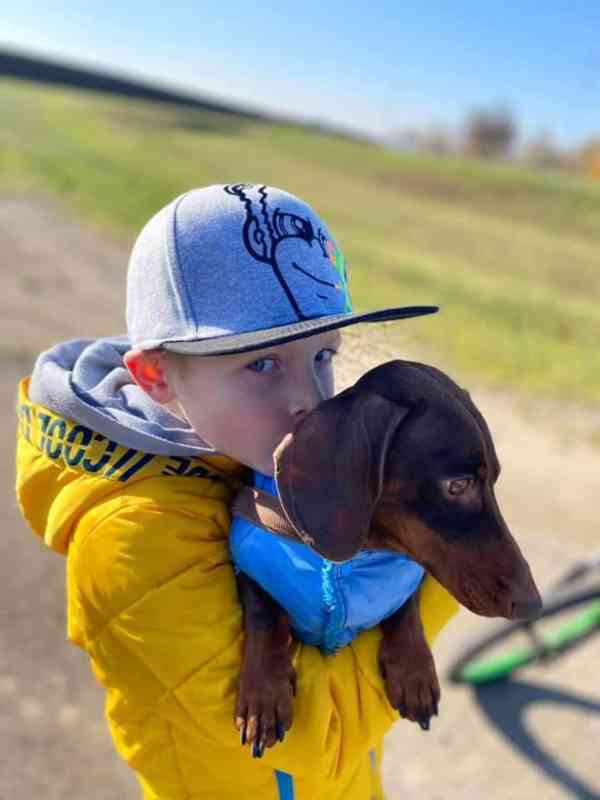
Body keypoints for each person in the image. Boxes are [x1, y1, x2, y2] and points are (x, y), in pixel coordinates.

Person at [15, 182, 459, 799]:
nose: (312, 401)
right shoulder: (130, 538)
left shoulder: (249, 445)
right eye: (262, 364)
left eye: (322, 356)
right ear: (156, 374)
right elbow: (321, 739)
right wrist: (443, 578)